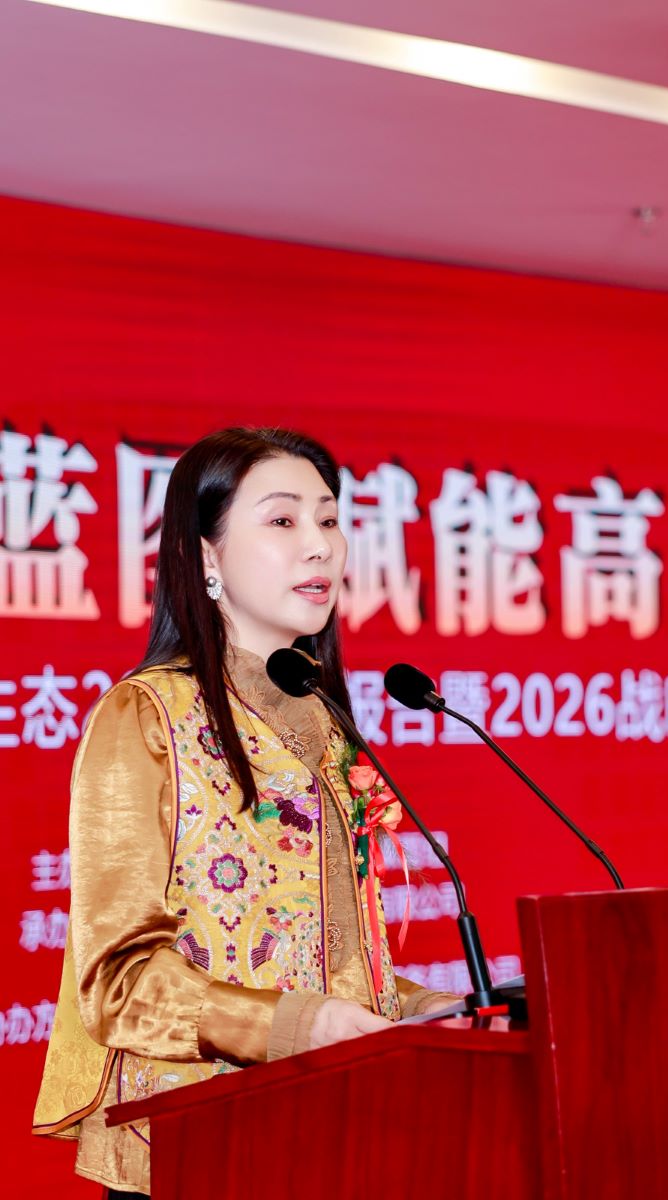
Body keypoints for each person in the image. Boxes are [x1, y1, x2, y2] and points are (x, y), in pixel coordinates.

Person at [33, 427, 458, 1197]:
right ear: (206, 555)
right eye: (283, 520)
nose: (320, 546)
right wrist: (294, 1027)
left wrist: (444, 1012)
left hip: (330, 1133)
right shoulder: (147, 716)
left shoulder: (322, 719)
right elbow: (119, 982)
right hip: (196, 1147)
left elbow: (338, 975)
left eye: (329, 520)